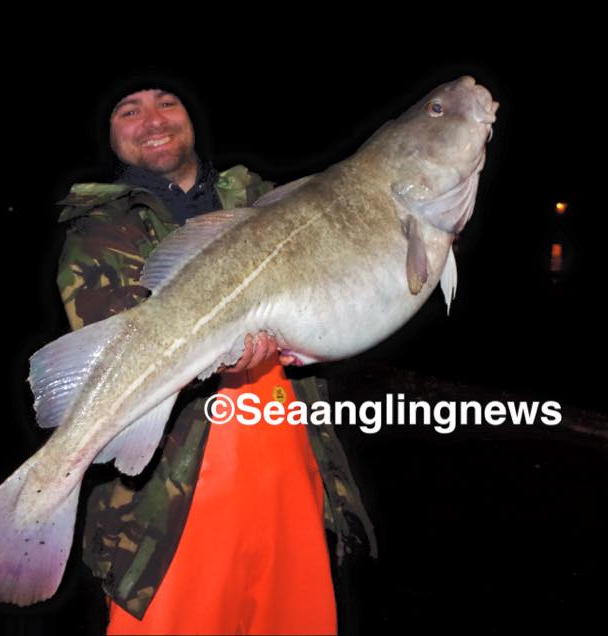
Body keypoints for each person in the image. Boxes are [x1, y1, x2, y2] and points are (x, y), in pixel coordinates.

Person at [55, 79, 376, 634]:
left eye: (167, 101)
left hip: (289, 473)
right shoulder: (100, 231)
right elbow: (110, 337)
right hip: (170, 503)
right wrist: (216, 346)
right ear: (110, 136)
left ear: (192, 116)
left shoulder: (264, 201)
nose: (152, 119)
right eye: (129, 110)